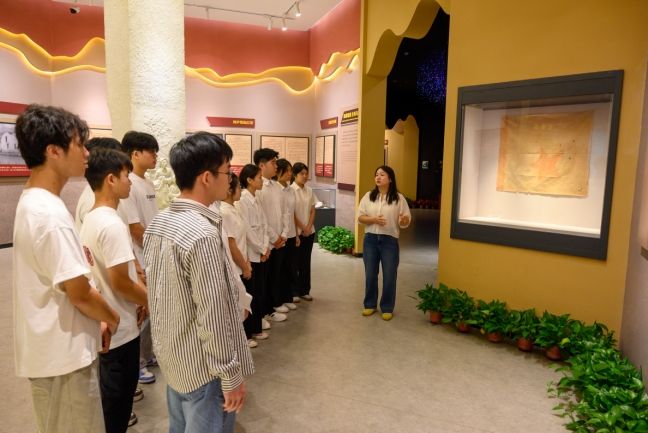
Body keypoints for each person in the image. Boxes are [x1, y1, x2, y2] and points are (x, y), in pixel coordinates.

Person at [13, 104, 119, 433]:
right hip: (63, 357)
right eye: (79, 144)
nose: (86, 153)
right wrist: (111, 316)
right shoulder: (49, 214)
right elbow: (79, 293)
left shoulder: (36, 201)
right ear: (54, 151)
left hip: (54, 352)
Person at [143, 132, 254, 433]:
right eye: (227, 171)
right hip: (205, 368)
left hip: (176, 358)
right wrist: (230, 375)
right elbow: (213, 313)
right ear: (207, 177)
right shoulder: (202, 234)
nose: (230, 179)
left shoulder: (160, 221)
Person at [80, 149, 148, 433]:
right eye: (125, 175)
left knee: (112, 401)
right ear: (110, 179)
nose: (130, 182)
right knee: (117, 406)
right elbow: (120, 282)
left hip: (109, 324)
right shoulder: (111, 224)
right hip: (120, 329)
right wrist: (151, 300)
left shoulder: (92, 218)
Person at [121, 130, 159, 384]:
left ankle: (147, 354)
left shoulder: (147, 183)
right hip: (142, 258)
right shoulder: (130, 184)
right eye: (151, 152)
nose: (155, 156)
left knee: (153, 311)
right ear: (135, 153)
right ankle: (138, 364)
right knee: (142, 311)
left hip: (153, 255)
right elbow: (135, 228)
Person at [357, 165, 411, 321]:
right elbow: (360, 217)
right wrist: (373, 219)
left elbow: (406, 220)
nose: (378, 177)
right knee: (370, 274)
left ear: (390, 179)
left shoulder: (398, 198)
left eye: (382, 175)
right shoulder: (368, 196)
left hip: (389, 241)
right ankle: (369, 305)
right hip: (370, 240)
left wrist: (404, 220)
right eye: (376, 175)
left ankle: (387, 307)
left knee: (389, 275)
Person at [219, 173, 265, 347]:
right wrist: (244, 266)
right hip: (236, 266)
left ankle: (248, 333)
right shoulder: (224, 212)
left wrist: (247, 262)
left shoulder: (233, 209)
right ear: (230, 190)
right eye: (239, 187)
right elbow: (231, 245)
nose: (241, 190)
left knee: (247, 300)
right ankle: (242, 338)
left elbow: (241, 239)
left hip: (243, 262)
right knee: (240, 303)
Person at [237, 164, 284, 330]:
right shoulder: (242, 200)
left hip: (262, 250)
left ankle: (259, 319)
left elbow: (264, 223)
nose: (261, 180)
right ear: (249, 180)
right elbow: (247, 230)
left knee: (261, 288)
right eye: (258, 177)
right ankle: (253, 325)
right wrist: (262, 248)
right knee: (253, 291)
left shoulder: (256, 197)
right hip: (252, 252)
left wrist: (265, 246)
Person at [254, 148, 295, 319]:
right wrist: (274, 237)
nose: (276, 166)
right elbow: (262, 218)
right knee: (264, 278)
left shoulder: (277, 187)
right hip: (267, 242)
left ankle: (273, 305)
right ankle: (265, 311)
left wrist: (284, 234)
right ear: (262, 165)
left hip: (280, 240)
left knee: (276, 275)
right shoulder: (258, 188)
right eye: (273, 162)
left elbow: (286, 212)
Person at [275, 158, 300, 306]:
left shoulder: (291, 189)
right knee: (280, 269)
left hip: (290, 234)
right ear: (279, 172)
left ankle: (288, 297)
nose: (291, 173)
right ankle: (278, 300)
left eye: (291, 171)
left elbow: (292, 214)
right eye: (288, 171)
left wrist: (296, 234)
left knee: (290, 267)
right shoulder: (275, 190)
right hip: (279, 236)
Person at [291, 162, 317, 301]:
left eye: (306, 173)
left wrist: (308, 227)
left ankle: (304, 290)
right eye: (302, 173)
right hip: (296, 233)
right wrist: (302, 227)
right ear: (295, 175)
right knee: (294, 262)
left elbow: (313, 210)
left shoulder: (309, 190)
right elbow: (292, 213)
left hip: (309, 231)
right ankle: (294, 291)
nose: (305, 176)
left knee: (306, 262)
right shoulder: (290, 190)